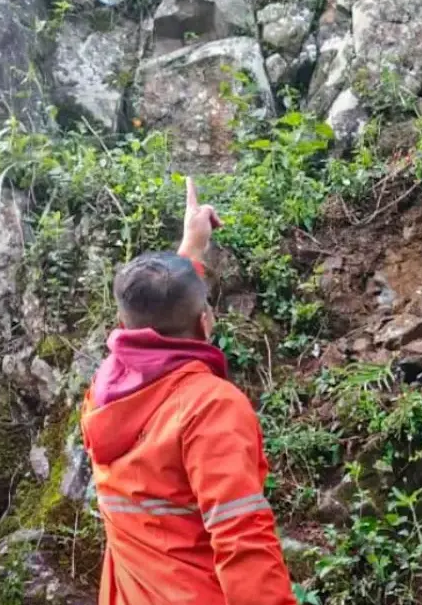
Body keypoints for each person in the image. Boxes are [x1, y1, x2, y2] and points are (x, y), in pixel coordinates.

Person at [80, 178, 297, 605]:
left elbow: (158, 316)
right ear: (204, 323)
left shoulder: (105, 389)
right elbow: (242, 538)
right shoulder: (211, 407)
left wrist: (191, 247)